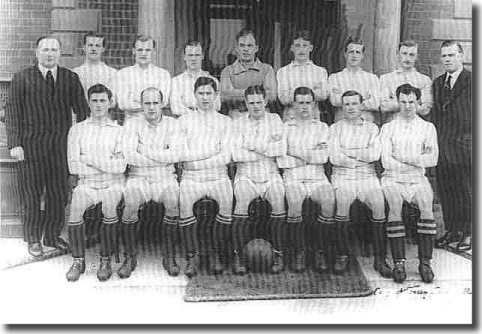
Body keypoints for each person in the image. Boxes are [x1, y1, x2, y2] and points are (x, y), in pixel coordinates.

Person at [5, 36, 89, 257]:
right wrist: (15, 144)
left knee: (57, 195)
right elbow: (12, 113)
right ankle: (33, 238)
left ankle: (52, 235)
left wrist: (80, 144)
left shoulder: (70, 78)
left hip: (60, 149)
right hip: (30, 149)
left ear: (60, 53)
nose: (49, 54)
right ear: (37, 52)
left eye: (54, 50)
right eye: (45, 50)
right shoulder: (22, 78)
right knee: (31, 195)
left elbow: (83, 113)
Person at [65, 84, 126, 282]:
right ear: (88, 103)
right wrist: (106, 163)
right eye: (94, 101)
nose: (99, 105)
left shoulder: (118, 131)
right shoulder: (77, 130)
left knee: (109, 206)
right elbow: (74, 166)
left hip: (112, 183)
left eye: (103, 101)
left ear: (110, 103)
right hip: (87, 183)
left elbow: (121, 167)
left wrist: (90, 159)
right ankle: (78, 260)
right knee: (75, 207)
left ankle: (105, 260)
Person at [380, 83, 439, 283]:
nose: (407, 106)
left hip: (417, 178)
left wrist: (405, 158)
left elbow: (433, 159)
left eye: (411, 102)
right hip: (393, 178)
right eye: (403, 102)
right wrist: (416, 159)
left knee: (426, 206)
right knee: (395, 205)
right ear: (398, 102)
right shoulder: (388, 128)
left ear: (418, 102)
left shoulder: (427, 127)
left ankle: (425, 263)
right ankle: (399, 263)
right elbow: (386, 161)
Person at [329, 90, 391, 277]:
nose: (351, 108)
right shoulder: (335, 128)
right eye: (347, 104)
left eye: (354, 103)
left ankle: (380, 258)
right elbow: (334, 157)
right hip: (343, 174)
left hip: (367, 175)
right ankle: (342, 255)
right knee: (343, 201)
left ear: (361, 105)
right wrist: (360, 154)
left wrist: (349, 154)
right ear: (342, 106)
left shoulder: (372, 128)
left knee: (379, 203)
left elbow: (374, 154)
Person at [121, 87, 182, 277]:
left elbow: (175, 154)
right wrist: (160, 156)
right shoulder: (131, 124)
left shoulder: (173, 124)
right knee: (130, 202)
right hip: (138, 176)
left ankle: (169, 255)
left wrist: (144, 150)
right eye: (147, 103)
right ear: (141, 105)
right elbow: (130, 156)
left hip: (164, 176)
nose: (151, 107)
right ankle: (130, 256)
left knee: (173, 200)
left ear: (163, 104)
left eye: (155, 103)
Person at [177, 77, 233, 277]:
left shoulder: (225, 121)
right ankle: (192, 256)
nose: (205, 97)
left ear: (216, 95)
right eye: (201, 93)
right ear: (194, 95)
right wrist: (211, 153)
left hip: (218, 176)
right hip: (191, 177)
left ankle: (216, 253)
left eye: (209, 93)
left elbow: (226, 156)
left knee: (227, 201)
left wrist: (196, 159)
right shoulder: (184, 120)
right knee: (184, 203)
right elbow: (182, 155)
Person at [277, 86, 334, 273]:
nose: (304, 107)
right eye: (300, 103)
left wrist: (295, 153)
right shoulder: (285, 128)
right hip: (293, 177)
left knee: (328, 200)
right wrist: (310, 154)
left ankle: (320, 251)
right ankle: (299, 251)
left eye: (308, 103)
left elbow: (323, 158)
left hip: (317, 177)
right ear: (293, 105)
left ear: (314, 104)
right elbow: (282, 159)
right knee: (294, 201)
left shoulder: (322, 127)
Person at [231, 85, 287, 274]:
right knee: (241, 201)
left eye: (259, 102)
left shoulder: (275, 119)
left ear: (266, 101)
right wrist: (266, 147)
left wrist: (250, 145)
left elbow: (280, 150)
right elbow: (236, 154)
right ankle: (238, 255)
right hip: (246, 174)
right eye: (251, 102)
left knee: (279, 199)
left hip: (270, 174)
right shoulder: (238, 122)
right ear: (246, 103)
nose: (256, 106)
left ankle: (279, 253)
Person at [432, 41, 472, 251]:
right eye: (444, 56)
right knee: (447, 190)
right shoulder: (438, 83)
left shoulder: (472, 80)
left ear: (461, 56)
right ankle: (452, 229)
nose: (448, 59)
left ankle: (469, 233)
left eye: (452, 55)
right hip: (443, 146)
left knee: (465, 190)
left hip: (464, 145)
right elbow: (436, 116)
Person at [220, 28, 277, 119]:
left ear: (256, 48)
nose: (246, 49)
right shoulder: (227, 71)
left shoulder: (267, 69)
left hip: (262, 118)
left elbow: (271, 96)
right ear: (237, 48)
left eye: (249, 45)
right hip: (236, 117)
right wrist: (258, 94)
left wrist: (236, 93)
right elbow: (225, 96)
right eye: (242, 45)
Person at [113, 35, 171, 120]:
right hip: (132, 122)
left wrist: (134, 99)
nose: (143, 53)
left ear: (153, 52)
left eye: (147, 50)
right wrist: (151, 103)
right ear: (133, 51)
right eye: (140, 50)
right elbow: (123, 103)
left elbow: (164, 102)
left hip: (155, 123)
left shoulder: (163, 74)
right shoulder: (123, 74)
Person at [276, 30, 329, 122]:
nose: (301, 49)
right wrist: (313, 90)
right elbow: (283, 98)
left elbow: (324, 95)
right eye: (297, 46)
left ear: (311, 48)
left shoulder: (320, 71)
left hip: (313, 118)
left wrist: (292, 91)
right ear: (292, 48)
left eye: (305, 45)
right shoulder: (283, 72)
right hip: (291, 119)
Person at [328, 37, 380, 123]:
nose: (354, 55)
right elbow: (335, 101)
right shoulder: (335, 78)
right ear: (345, 54)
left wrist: (345, 100)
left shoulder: (372, 78)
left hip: (366, 123)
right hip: (342, 123)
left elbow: (375, 103)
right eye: (351, 52)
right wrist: (364, 98)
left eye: (358, 52)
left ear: (362, 56)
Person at [379, 40, 432, 123]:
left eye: (411, 55)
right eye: (404, 54)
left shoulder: (424, 80)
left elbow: (425, 110)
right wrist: (413, 104)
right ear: (398, 55)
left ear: (416, 57)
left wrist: (396, 104)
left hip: (416, 126)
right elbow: (384, 106)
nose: (407, 58)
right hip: (393, 124)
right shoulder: (386, 79)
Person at [170, 40, 220, 117]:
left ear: (202, 56)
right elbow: (175, 108)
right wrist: (196, 115)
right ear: (184, 57)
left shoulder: (213, 81)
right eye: (190, 55)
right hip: (185, 121)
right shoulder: (176, 81)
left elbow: (217, 106)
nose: (193, 58)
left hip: (207, 121)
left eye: (197, 55)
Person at [73, 32, 118, 100]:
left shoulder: (112, 73)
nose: (93, 49)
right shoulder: (75, 73)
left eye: (97, 46)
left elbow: (113, 100)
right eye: (90, 45)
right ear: (84, 47)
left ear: (103, 49)